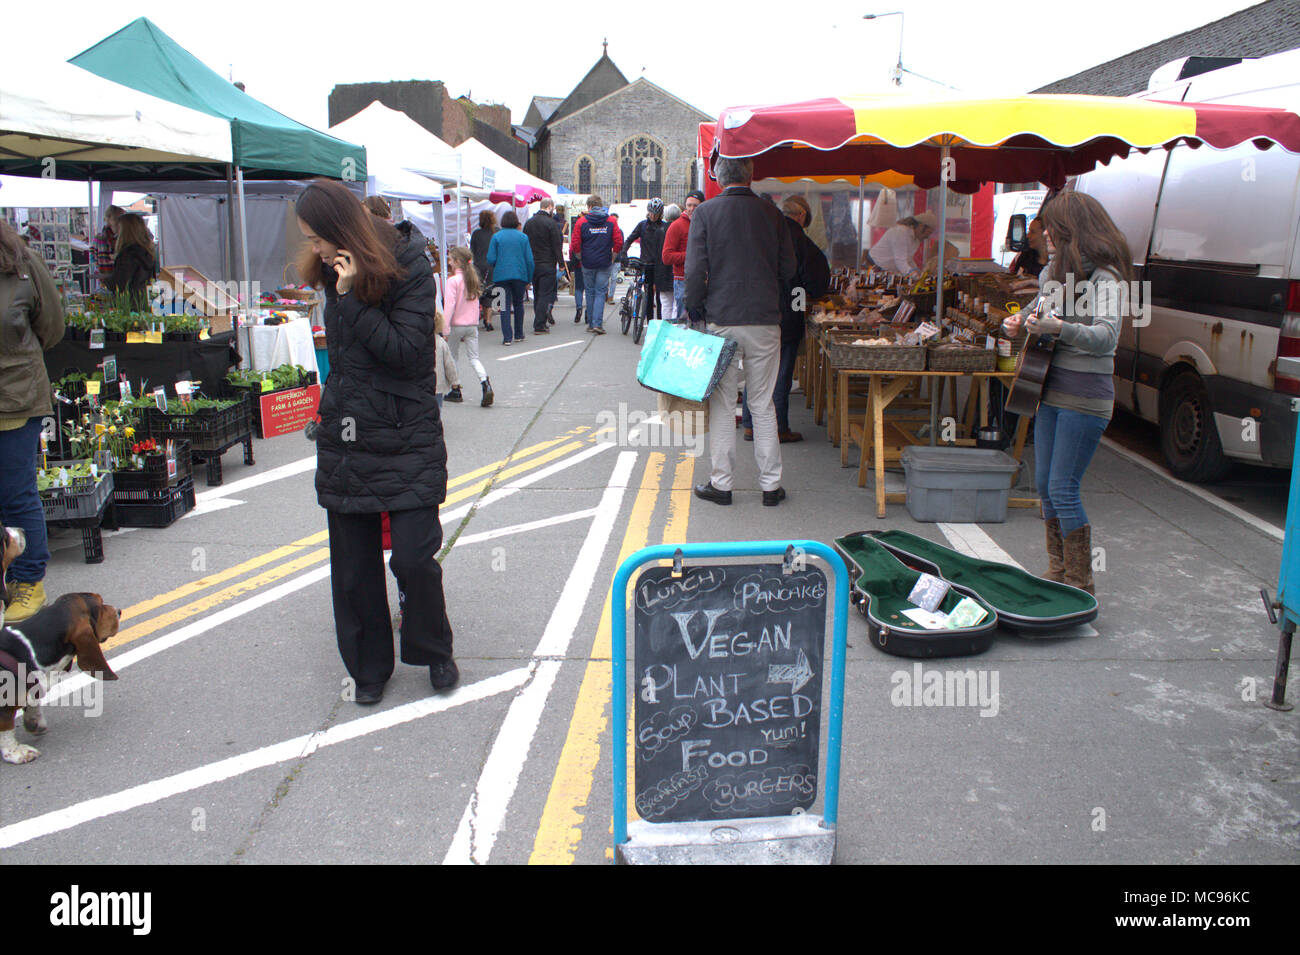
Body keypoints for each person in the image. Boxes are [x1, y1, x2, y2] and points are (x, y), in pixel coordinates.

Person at [295, 179, 457, 701]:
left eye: (316, 238)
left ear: (339, 229)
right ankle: (368, 669)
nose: (314, 250)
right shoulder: (332, 268)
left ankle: (433, 650)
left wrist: (351, 301)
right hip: (347, 434)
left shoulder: (410, 263)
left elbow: (410, 354)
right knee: (353, 567)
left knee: (413, 558)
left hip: (406, 432)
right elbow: (344, 360)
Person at [1000, 191, 1129, 597]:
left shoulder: (1106, 277)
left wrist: (1058, 329)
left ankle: (1080, 581)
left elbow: (1106, 338)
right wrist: (1018, 321)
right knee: (1044, 486)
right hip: (1049, 389)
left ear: (1072, 230)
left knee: (1062, 488)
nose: (1046, 234)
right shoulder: (1057, 273)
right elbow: (1039, 309)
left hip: (1085, 395)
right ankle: (1058, 572)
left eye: (1053, 226)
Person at [686, 158, 796, 507]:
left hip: (722, 316)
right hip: (764, 318)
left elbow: (694, 270)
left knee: (722, 404)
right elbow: (789, 269)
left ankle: (722, 484)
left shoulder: (704, 213)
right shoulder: (772, 214)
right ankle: (770, 486)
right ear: (752, 176)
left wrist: (696, 309)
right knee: (762, 403)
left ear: (718, 178)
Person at [0, 220, 65, 622]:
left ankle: (28, 584)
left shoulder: (23, 263)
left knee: (15, 495)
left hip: (15, 398)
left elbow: (52, 327)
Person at [741, 195, 830, 444]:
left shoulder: (763, 237)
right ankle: (777, 427)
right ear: (801, 216)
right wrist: (801, 301)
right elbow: (815, 282)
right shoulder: (801, 242)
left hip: (756, 310)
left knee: (756, 369)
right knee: (781, 372)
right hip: (786, 312)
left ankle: (749, 424)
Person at [444, 247, 494, 406]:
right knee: (474, 358)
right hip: (472, 324)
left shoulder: (452, 281)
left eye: (451, 259)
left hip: (456, 324)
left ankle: (456, 388)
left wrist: (444, 328)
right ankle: (485, 383)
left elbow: (449, 306)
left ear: (457, 262)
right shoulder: (472, 279)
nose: (449, 262)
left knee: (452, 357)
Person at [569, 195, 623, 335]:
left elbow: (575, 243)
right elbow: (618, 241)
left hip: (587, 262)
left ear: (589, 207)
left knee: (590, 291)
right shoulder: (611, 221)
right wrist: (614, 255)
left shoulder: (581, 222)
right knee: (600, 292)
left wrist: (580, 256)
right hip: (604, 261)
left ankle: (592, 323)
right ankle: (597, 324)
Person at [486, 210, 534, 345]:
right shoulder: (523, 237)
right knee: (519, 304)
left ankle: (507, 337)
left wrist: (499, 264)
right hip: (519, 275)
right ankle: (519, 334)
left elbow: (490, 258)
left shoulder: (496, 237)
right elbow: (529, 260)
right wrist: (528, 279)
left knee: (505, 306)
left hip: (501, 276)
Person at [625, 198, 671, 324]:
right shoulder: (642, 225)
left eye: (656, 214)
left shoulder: (665, 227)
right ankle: (650, 322)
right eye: (651, 213)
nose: (653, 216)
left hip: (660, 265)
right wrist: (623, 253)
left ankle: (661, 322)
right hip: (646, 263)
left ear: (661, 214)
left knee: (660, 297)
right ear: (648, 212)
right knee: (649, 295)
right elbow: (629, 239)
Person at [523, 197, 563, 334]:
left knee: (536, 292)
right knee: (545, 294)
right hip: (547, 263)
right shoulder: (551, 224)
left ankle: (539, 319)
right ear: (550, 206)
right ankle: (539, 324)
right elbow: (556, 246)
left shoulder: (528, 223)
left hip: (533, 263)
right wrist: (562, 264)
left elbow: (525, 244)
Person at [663, 190, 704, 324]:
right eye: (689, 205)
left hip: (704, 279)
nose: (692, 209)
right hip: (683, 280)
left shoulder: (706, 224)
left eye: (696, 205)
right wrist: (690, 255)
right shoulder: (676, 226)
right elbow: (667, 257)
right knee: (682, 322)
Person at [105, 213, 157, 307]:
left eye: (119, 228)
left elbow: (120, 282)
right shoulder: (147, 252)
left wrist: (107, 281)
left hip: (129, 303)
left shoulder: (128, 254)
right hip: (144, 301)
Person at [867, 211, 938, 277]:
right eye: (928, 232)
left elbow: (909, 260)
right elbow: (900, 261)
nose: (928, 236)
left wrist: (918, 272)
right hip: (874, 266)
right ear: (921, 226)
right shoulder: (901, 232)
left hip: (887, 269)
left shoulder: (916, 239)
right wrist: (915, 276)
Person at [470, 209, 497, 331]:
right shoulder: (496, 233)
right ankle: (488, 320)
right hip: (492, 266)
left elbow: (472, 251)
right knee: (490, 293)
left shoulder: (476, 234)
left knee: (478, 292)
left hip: (478, 266)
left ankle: (475, 318)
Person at [93, 205, 122, 284]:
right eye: (117, 218)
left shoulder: (125, 237)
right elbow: (94, 259)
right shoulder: (99, 238)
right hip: (107, 281)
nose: (120, 221)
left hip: (120, 281)